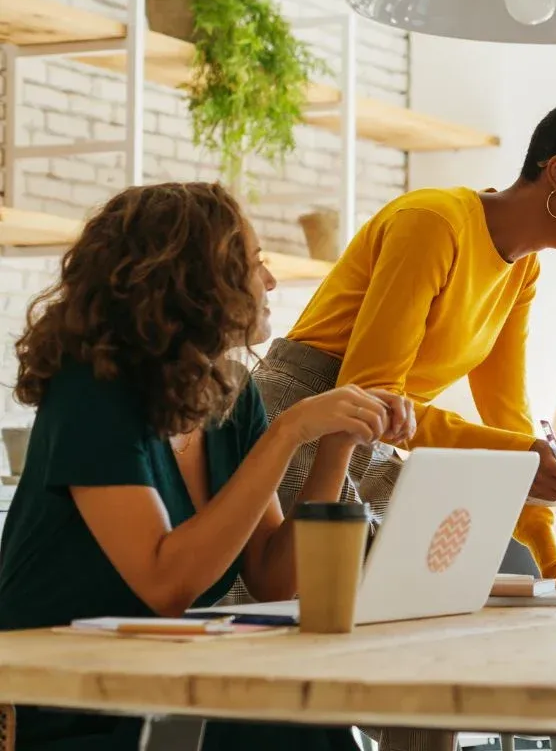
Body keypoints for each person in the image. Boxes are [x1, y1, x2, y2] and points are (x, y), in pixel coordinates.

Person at [0, 182, 414, 750]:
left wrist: (335, 445)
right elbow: (165, 584)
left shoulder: (229, 396)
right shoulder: (92, 392)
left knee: (311, 728)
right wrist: (290, 430)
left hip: (158, 687)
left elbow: (273, 578)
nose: (270, 281)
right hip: (67, 701)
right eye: (253, 263)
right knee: (297, 736)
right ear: (193, 281)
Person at [238, 101, 556, 600]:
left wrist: (554, 559)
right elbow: (370, 394)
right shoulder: (434, 223)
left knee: (478, 569)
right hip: (300, 415)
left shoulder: (523, 271)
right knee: (322, 608)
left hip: (367, 435)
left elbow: (508, 418)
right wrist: (517, 456)